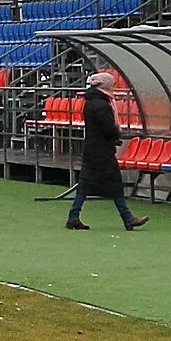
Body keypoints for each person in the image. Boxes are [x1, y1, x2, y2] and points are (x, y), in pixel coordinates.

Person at [68, 71, 146, 231]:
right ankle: (127, 217)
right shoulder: (102, 104)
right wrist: (116, 135)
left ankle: (73, 216)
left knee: (85, 183)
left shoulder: (91, 102)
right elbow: (108, 128)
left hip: (92, 148)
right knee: (115, 183)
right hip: (102, 150)